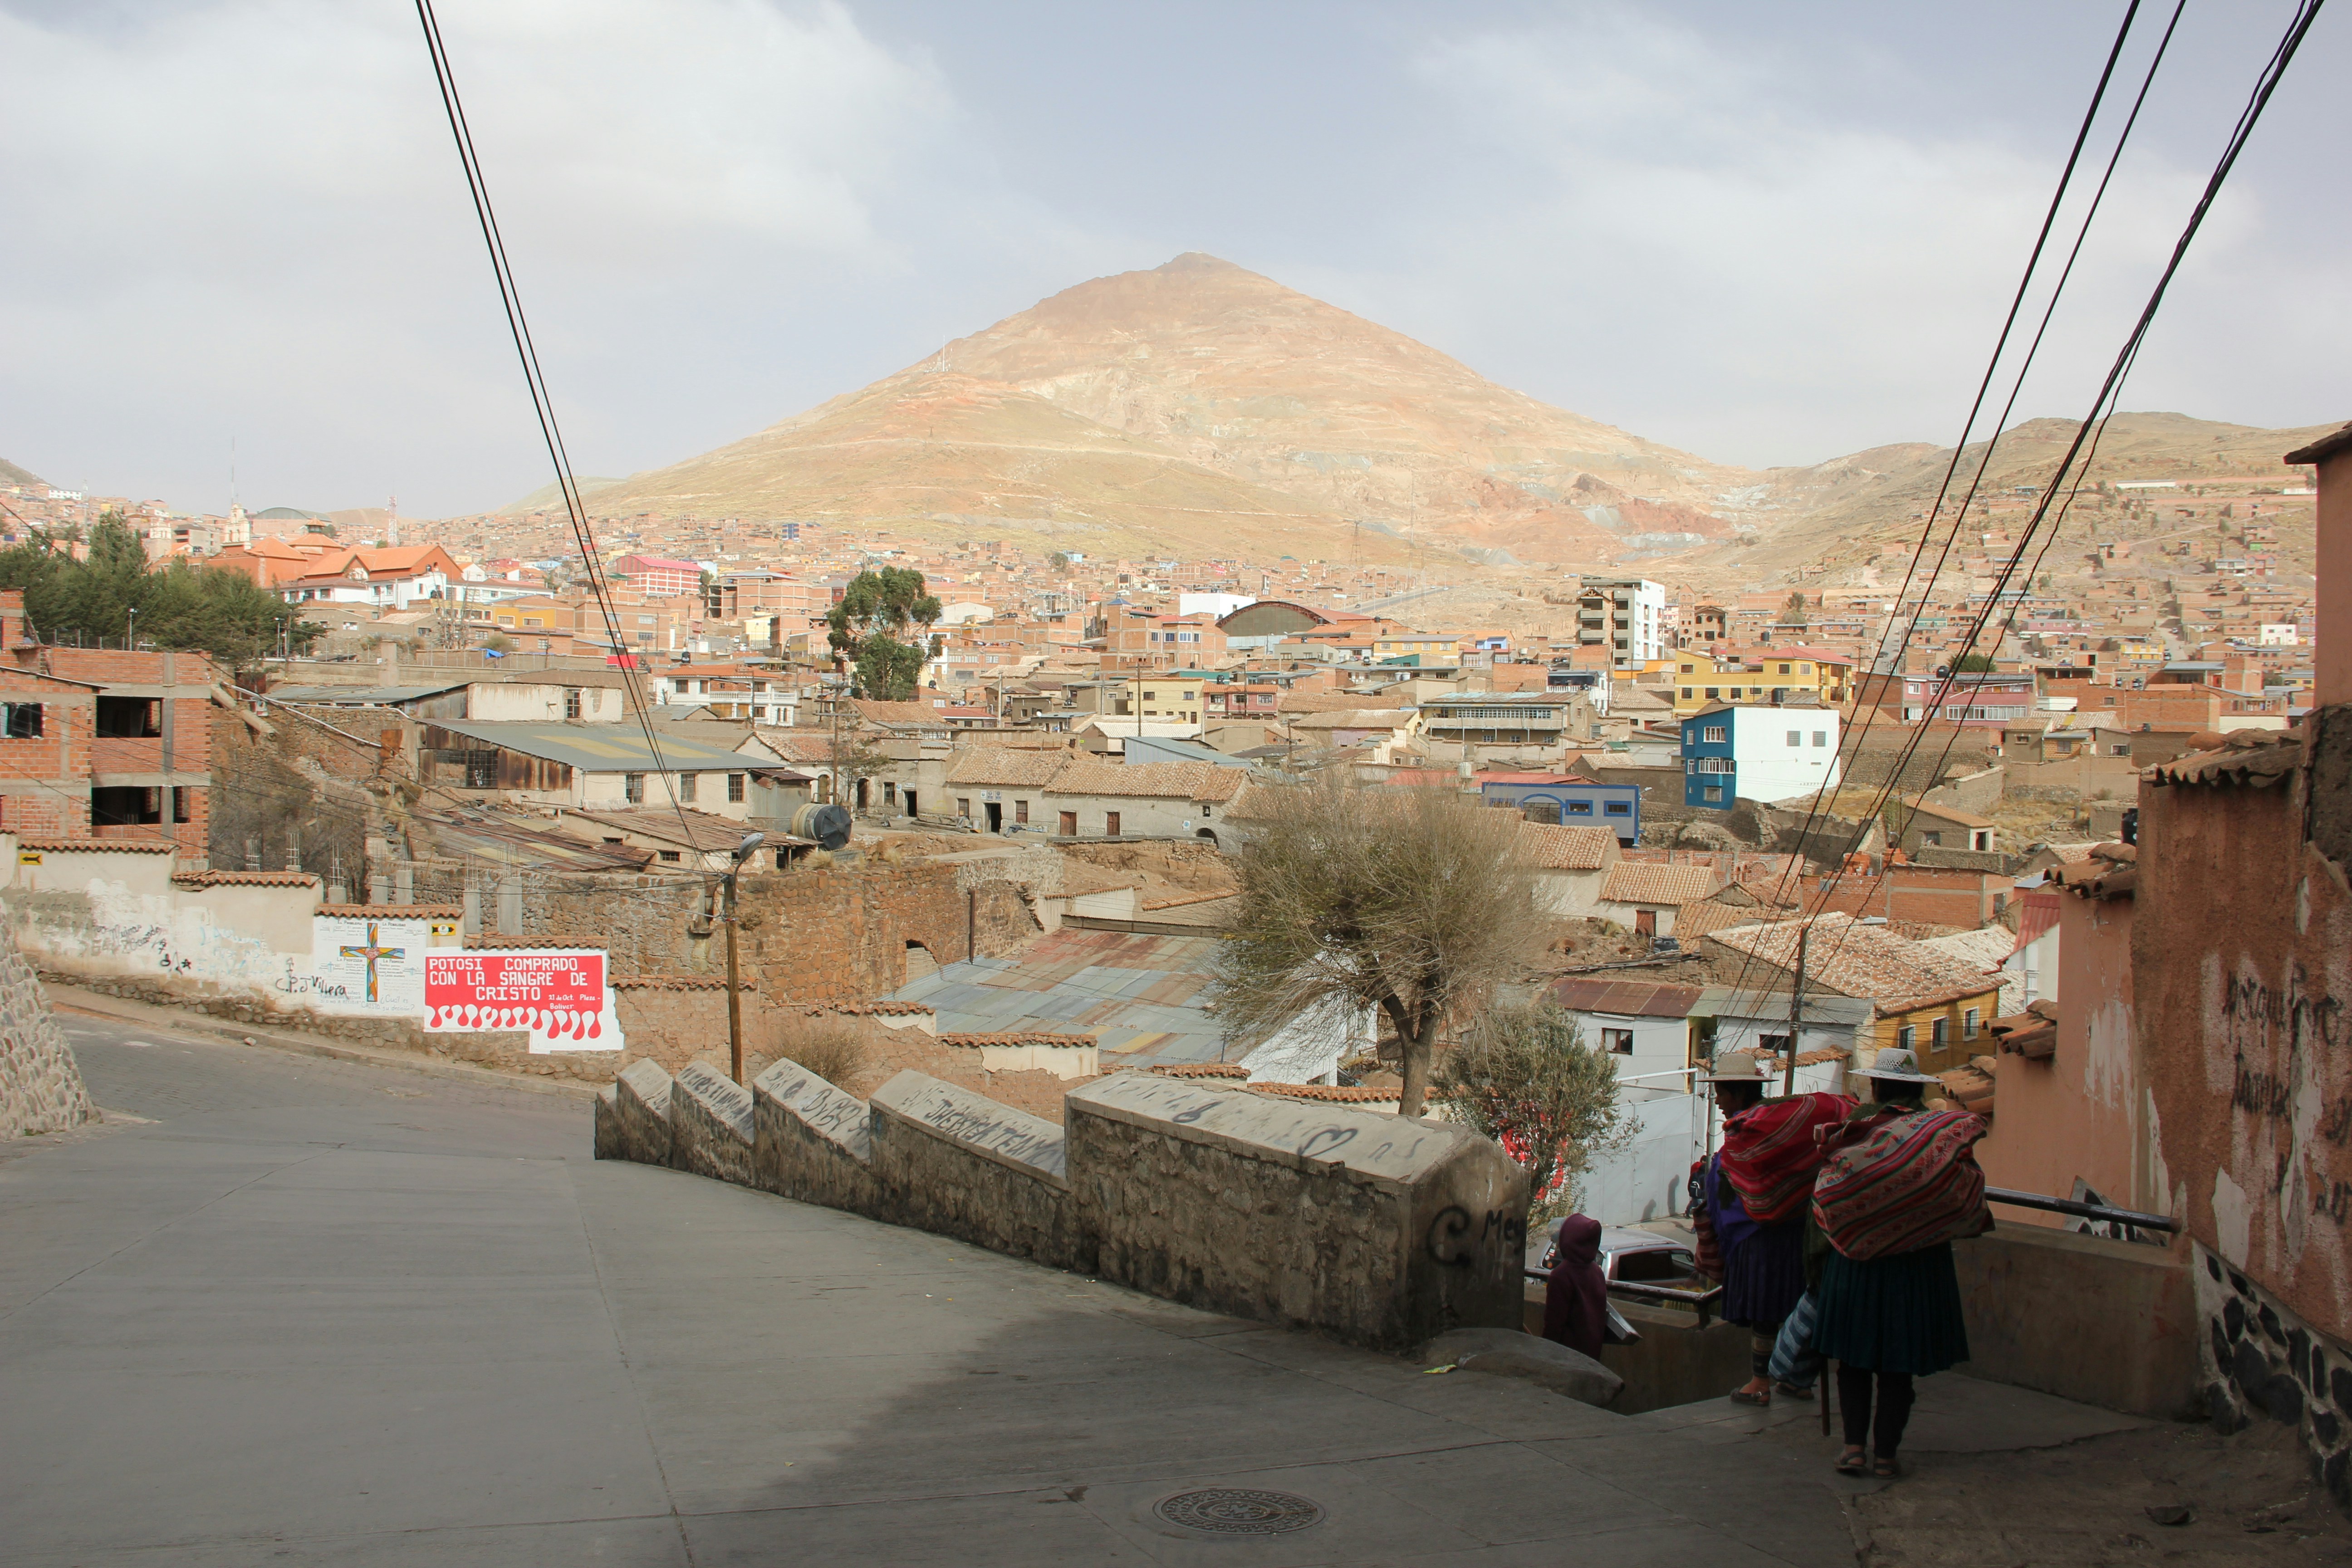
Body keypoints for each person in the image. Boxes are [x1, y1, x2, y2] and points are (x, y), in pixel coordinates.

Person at [1810, 1046, 1975, 1480]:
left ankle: (1853, 1449)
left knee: (1854, 1359)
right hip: (1916, 1264)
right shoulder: (1940, 1135)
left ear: (1877, 1086)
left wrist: (1818, 1262)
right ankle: (1885, 1454)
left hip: (1856, 1262)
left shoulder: (1854, 1131)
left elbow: (1827, 1196)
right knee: (1897, 1364)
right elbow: (1963, 1193)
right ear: (1914, 1088)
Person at [1695, 1051, 1809, 1405]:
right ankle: (1795, 1378)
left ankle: (1760, 1383)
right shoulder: (1773, 1124)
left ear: (1740, 1092)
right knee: (1792, 1307)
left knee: (1764, 1313)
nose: (1719, 1102)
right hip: (1791, 1231)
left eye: (1723, 1095)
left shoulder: (1748, 1132)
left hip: (1758, 1236)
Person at [1541, 1213, 1609, 1361]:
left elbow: (1554, 1325)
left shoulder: (1561, 1276)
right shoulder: (1596, 1271)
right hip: (1592, 1355)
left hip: (1567, 1358)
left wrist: (1545, 1355)